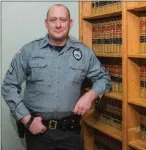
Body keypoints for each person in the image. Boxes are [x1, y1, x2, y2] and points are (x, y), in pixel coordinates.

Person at [1, 4, 111, 150]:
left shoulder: (84, 53)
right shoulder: (29, 51)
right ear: (46, 23)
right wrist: (27, 120)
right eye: (53, 20)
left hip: (71, 133)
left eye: (63, 20)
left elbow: (104, 79)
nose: (58, 25)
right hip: (38, 133)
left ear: (70, 23)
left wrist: (91, 95)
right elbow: (8, 86)